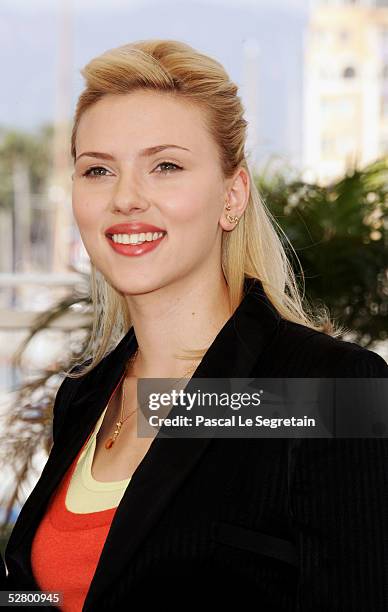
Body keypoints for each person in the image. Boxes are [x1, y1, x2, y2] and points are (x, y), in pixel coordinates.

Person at [3, 39, 388, 611]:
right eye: (99, 170)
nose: (126, 198)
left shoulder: (327, 391)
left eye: (165, 166)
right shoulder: (84, 398)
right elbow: (49, 593)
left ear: (232, 195)